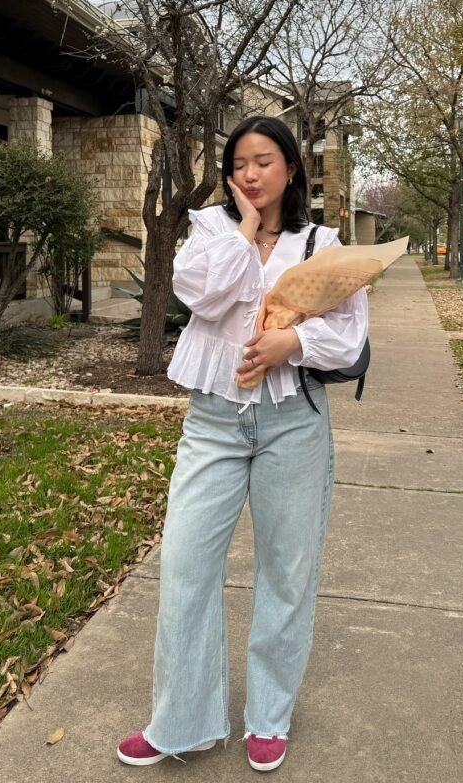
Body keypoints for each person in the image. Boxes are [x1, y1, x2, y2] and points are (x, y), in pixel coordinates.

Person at [117, 115, 368, 772]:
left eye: (264, 161)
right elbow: (198, 298)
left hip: (293, 424)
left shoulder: (322, 243)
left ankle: (268, 716)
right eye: (239, 163)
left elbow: (348, 336)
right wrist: (246, 230)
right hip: (214, 422)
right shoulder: (206, 231)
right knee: (185, 568)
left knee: (285, 573)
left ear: (289, 167)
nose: (251, 173)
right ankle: (181, 722)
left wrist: (295, 342)